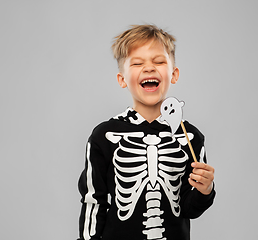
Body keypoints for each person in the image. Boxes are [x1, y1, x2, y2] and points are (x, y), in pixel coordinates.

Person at [77, 24, 215, 240]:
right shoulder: (104, 136)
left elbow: (189, 209)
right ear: (122, 79)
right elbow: (94, 201)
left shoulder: (190, 136)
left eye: (159, 62)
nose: (149, 68)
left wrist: (205, 190)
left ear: (174, 74)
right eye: (137, 63)